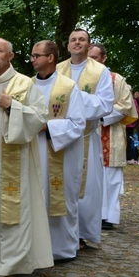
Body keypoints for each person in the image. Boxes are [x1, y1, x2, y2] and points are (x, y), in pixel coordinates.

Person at [0, 37, 51, 277]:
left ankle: (11, 266)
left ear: (11, 56)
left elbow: (40, 117)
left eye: (0, 51)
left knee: (15, 209)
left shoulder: (24, 84)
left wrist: (13, 107)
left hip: (16, 162)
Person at [56, 29, 114, 248]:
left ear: (89, 46)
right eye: (73, 40)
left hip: (86, 136)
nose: (77, 43)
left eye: (81, 40)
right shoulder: (58, 69)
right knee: (60, 183)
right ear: (68, 46)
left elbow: (106, 104)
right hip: (60, 135)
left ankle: (80, 233)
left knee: (85, 187)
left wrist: (75, 98)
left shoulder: (100, 71)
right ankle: (61, 233)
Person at [31, 40, 85, 262]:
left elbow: (77, 123)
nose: (32, 59)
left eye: (37, 56)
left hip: (60, 153)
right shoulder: (27, 85)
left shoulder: (69, 87)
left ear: (50, 58)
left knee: (59, 197)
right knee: (36, 199)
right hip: (33, 151)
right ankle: (37, 249)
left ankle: (62, 248)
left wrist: (47, 126)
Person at [88, 44, 137, 230]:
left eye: (96, 58)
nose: (92, 61)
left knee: (111, 176)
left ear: (104, 58)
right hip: (87, 132)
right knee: (91, 175)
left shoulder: (116, 79)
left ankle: (109, 216)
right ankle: (91, 215)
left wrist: (100, 115)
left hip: (110, 130)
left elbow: (126, 104)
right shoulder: (80, 79)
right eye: (89, 57)